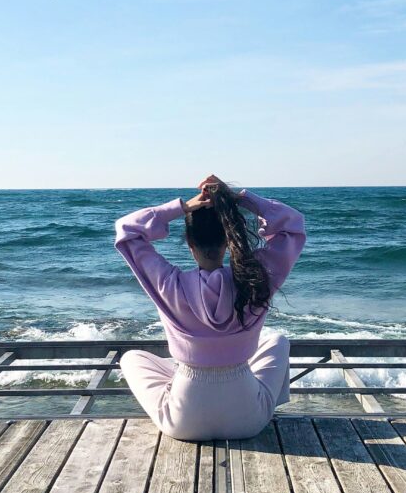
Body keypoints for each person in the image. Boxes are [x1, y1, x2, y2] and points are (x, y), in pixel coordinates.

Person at [114, 174, 306, 441]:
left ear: (191, 245)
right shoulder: (255, 281)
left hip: (182, 423)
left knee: (131, 358)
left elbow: (127, 230)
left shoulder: (171, 285)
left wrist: (180, 208)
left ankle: (183, 373)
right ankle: (264, 404)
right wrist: (239, 199)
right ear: (228, 241)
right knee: (278, 341)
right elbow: (294, 226)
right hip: (249, 420)